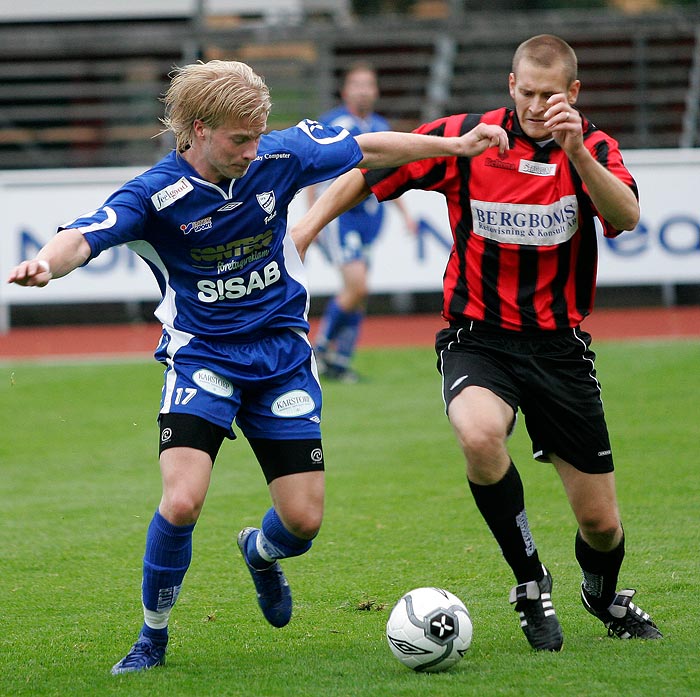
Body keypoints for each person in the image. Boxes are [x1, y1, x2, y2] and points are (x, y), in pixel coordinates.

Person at [7, 59, 509, 674]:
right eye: (240, 138)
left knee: (303, 521)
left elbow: (368, 148)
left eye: (257, 134)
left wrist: (454, 145)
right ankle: (152, 637)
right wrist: (44, 264)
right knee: (183, 500)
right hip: (203, 357)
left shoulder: (278, 156)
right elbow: (85, 236)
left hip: (281, 358)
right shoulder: (152, 194)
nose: (253, 148)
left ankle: (261, 552)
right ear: (195, 130)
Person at [292, 34, 662, 651]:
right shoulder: (470, 136)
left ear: (572, 93)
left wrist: (577, 154)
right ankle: (529, 581)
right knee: (479, 433)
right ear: (510, 85)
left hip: (559, 349)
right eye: (527, 92)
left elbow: (624, 216)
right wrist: (304, 232)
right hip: (478, 337)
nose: (537, 105)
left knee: (600, 525)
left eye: (551, 94)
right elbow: (370, 172)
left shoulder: (592, 146)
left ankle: (601, 593)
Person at [307, 62, 415, 382]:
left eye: (369, 84)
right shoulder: (334, 123)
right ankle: (320, 348)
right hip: (341, 217)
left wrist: (405, 214)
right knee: (358, 286)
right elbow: (313, 171)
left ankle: (340, 361)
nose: (364, 90)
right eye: (357, 84)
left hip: (371, 217)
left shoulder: (380, 125)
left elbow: (391, 173)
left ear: (376, 91)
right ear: (345, 91)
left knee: (358, 292)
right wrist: (312, 216)